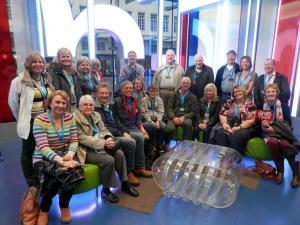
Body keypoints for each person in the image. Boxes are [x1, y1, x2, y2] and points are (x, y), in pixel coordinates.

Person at [74, 95, 139, 203]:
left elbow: (103, 130)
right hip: (85, 150)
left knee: (119, 153)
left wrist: (108, 138)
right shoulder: (75, 118)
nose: (89, 107)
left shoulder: (96, 115)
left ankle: (125, 183)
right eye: (85, 104)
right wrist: (104, 143)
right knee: (109, 160)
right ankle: (106, 190)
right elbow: (82, 138)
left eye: (91, 105)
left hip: (101, 143)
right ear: (80, 107)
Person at [32, 90, 82, 225]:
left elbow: (74, 140)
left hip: (65, 154)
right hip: (43, 157)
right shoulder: (40, 119)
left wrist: (70, 154)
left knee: (73, 173)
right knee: (55, 175)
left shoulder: (69, 117)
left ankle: (64, 205)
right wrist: (61, 162)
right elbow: (43, 146)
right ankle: (44, 209)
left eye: (63, 103)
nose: (60, 105)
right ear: (50, 103)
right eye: (57, 102)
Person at [8, 51, 54, 192]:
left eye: (40, 62)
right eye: (34, 62)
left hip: (46, 120)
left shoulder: (46, 79)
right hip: (31, 122)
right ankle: (32, 180)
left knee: (46, 148)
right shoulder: (19, 81)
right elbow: (13, 103)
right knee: (28, 150)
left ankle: (46, 175)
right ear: (28, 64)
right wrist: (22, 118)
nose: (38, 64)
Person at [95, 83, 144, 186]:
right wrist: (122, 133)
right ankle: (129, 172)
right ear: (97, 94)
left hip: (118, 131)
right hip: (108, 135)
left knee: (138, 137)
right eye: (102, 93)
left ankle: (139, 168)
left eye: (106, 93)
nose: (104, 95)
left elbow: (118, 121)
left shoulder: (110, 106)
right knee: (131, 142)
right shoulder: (96, 109)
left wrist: (124, 131)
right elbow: (105, 128)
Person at [260, 84, 299, 188]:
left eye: (273, 91)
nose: (270, 93)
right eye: (268, 91)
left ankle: (296, 174)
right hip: (268, 132)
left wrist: (275, 129)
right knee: (272, 142)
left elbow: (288, 125)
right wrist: (263, 124)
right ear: (265, 94)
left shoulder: (284, 106)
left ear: (277, 93)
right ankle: (280, 171)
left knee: (285, 144)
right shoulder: (263, 106)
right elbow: (258, 121)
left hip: (282, 132)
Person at [114, 81, 153, 176]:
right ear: (121, 89)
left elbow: (138, 117)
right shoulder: (117, 101)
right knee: (139, 137)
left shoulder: (134, 100)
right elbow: (118, 121)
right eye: (126, 88)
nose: (129, 90)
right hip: (125, 128)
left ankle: (144, 165)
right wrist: (124, 131)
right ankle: (137, 168)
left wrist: (142, 129)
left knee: (148, 132)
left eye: (130, 88)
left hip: (134, 127)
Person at [212, 85, 256, 155]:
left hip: (243, 127)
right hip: (228, 124)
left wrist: (239, 127)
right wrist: (224, 124)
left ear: (243, 92)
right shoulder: (229, 102)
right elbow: (222, 114)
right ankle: (221, 157)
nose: (237, 93)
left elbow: (251, 120)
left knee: (236, 137)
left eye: (239, 91)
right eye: (235, 92)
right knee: (221, 133)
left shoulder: (250, 104)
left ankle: (233, 159)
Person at [254, 58, 291, 125]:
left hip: (278, 108)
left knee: (279, 127)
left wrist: (273, 103)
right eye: (265, 65)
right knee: (263, 127)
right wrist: (260, 106)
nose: (267, 67)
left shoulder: (282, 78)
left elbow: (286, 94)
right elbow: (256, 94)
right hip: (263, 108)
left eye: (269, 65)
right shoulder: (260, 78)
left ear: (274, 65)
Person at [165, 77, 198, 144]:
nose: (185, 84)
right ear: (180, 84)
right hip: (173, 116)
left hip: (186, 117)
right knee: (169, 128)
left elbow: (194, 111)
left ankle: (185, 145)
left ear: (190, 85)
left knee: (188, 124)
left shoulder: (193, 97)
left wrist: (184, 117)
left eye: (187, 83)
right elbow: (169, 108)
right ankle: (166, 145)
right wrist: (173, 117)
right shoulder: (173, 94)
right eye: (183, 83)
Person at [49, 47, 82, 111]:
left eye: (68, 56)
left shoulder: (73, 72)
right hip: (62, 106)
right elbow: (56, 90)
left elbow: (78, 90)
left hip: (75, 105)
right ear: (58, 59)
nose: (66, 59)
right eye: (63, 57)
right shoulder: (54, 72)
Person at [140, 84, 167, 151]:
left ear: (157, 92)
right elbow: (143, 112)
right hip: (147, 120)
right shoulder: (144, 100)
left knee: (163, 126)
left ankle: (159, 144)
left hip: (157, 119)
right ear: (148, 92)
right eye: (151, 91)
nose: (153, 93)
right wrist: (150, 121)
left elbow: (161, 111)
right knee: (152, 126)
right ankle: (153, 145)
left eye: (155, 91)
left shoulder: (159, 99)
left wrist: (158, 121)